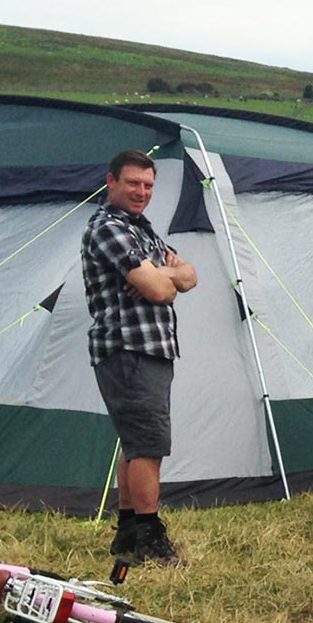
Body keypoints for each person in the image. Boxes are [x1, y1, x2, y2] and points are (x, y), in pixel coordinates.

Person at [83, 150, 197, 566]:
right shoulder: (107, 228)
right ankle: (150, 535)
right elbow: (166, 290)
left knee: (135, 444)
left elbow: (190, 276)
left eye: (148, 185)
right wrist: (162, 277)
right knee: (148, 444)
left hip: (149, 349)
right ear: (111, 181)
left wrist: (158, 272)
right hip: (128, 348)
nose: (142, 192)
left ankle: (128, 530)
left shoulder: (142, 230)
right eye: (133, 183)